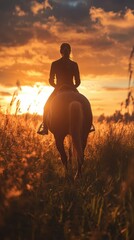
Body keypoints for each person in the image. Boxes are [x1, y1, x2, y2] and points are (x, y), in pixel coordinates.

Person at [37, 43, 81, 135]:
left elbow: (51, 80)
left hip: (58, 89)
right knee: (84, 102)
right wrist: (72, 87)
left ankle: (45, 127)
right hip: (72, 88)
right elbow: (78, 82)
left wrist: (57, 87)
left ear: (60, 52)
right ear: (70, 51)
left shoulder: (55, 64)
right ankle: (89, 125)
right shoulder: (74, 64)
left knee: (46, 106)